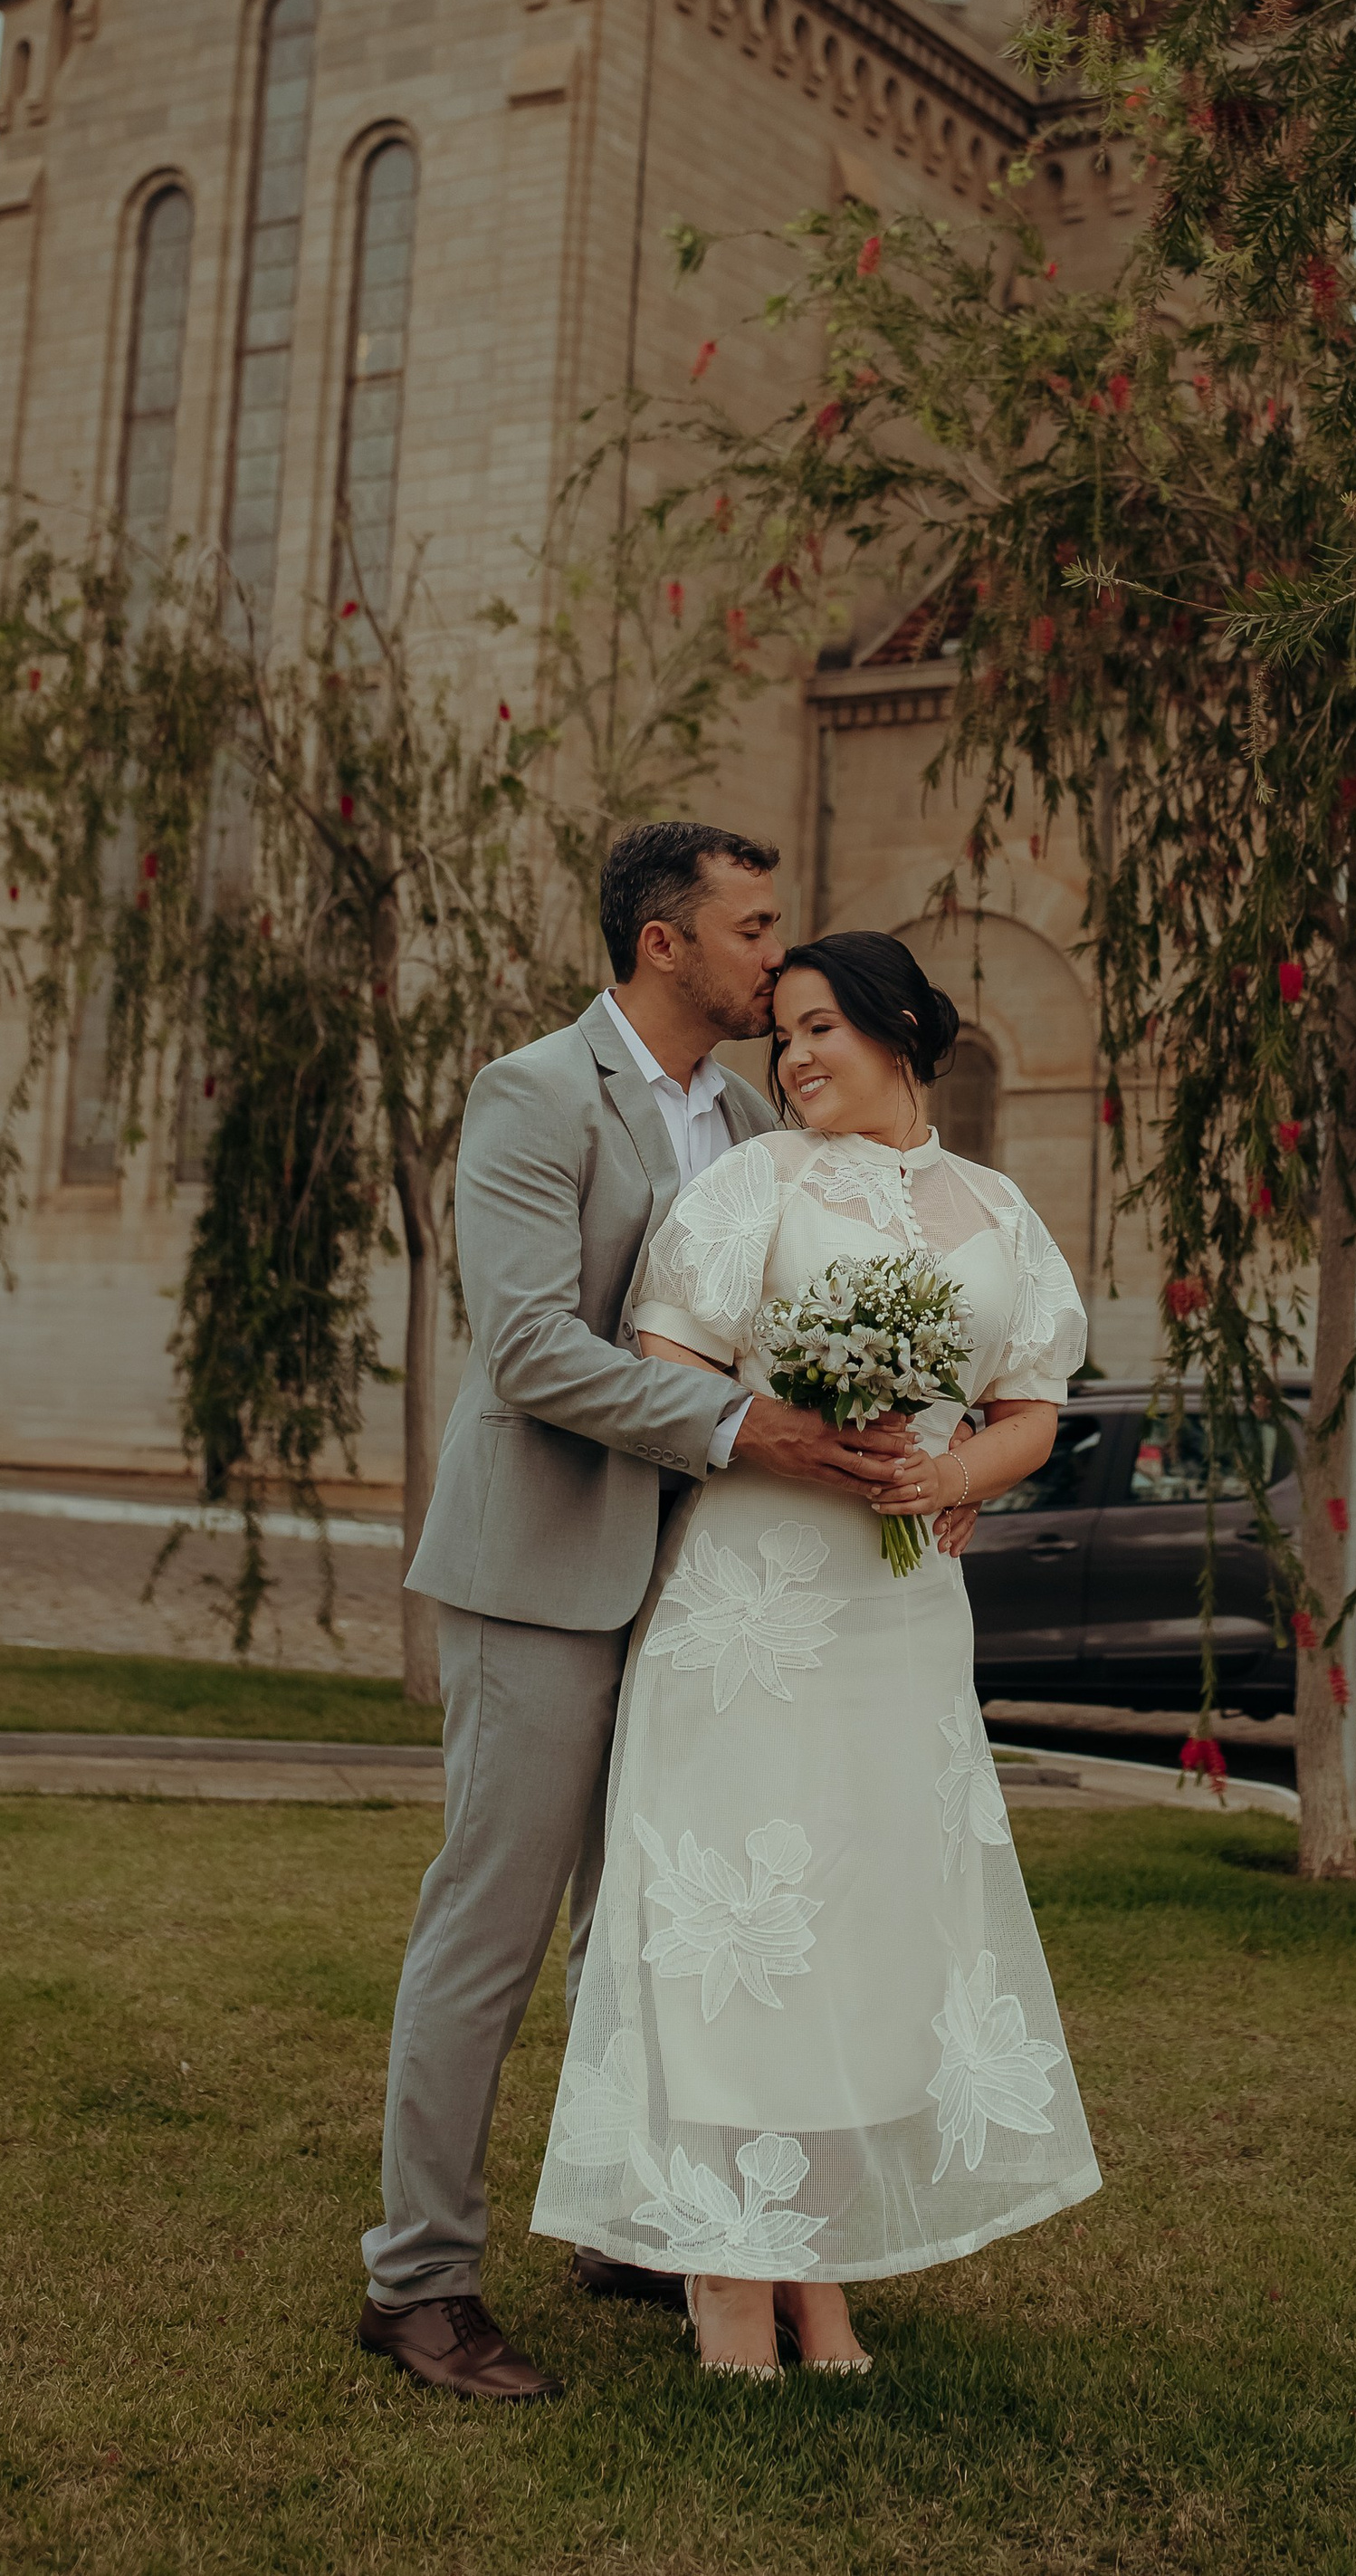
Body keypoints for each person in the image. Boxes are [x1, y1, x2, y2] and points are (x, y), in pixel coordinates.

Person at [357, 825, 945, 2403]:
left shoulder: (755, 1114)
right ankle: (419, 2283)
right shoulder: (533, 1093)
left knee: (657, 1936)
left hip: (705, 1598)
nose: (779, 955)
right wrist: (751, 1431)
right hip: (542, 1575)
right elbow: (530, 1350)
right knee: (488, 1935)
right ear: (662, 942)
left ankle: (640, 2225)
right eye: (755, 928)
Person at [530, 929, 1101, 2378]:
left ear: (902, 1030)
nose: (791, 1059)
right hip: (757, 1615)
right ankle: (728, 2272)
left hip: (901, 1625)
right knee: (746, 1943)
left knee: (867, 1939)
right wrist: (807, 1428)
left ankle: (821, 2271)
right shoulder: (755, 1186)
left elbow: (1033, 1406)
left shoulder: (998, 1209)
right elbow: (670, 1368)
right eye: (780, 1034)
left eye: (820, 1027)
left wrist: (958, 1473)